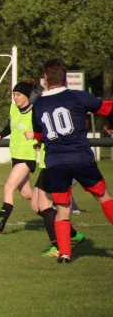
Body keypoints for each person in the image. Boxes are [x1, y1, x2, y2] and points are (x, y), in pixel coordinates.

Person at [32, 58, 113, 263]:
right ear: (65, 78)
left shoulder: (38, 104)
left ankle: (65, 254)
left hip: (55, 162)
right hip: (80, 157)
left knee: (63, 207)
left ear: (46, 79)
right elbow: (107, 108)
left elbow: (39, 136)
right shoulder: (77, 97)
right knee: (103, 196)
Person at [0, 82, 37, 235]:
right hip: (16, 156)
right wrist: (0, 135)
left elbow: (44, 129)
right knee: (26, 194)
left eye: (18, 94)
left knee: (8, 187)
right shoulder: (13, 108)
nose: (15, 98)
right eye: (13, 94)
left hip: (27, 157)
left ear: (26, 96)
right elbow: (10, 125)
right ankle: (52, 208)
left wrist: (35, 135)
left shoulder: (35, 112)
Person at [30, 143, 84, 257]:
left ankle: (58, 247)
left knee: (45, 207)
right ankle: (73, 235)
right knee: (35, 205)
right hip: (46, 165)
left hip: (53, 164)